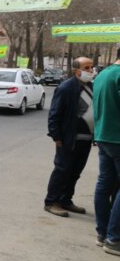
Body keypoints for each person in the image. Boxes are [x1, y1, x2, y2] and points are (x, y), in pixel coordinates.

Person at [44, 57, 95, 217]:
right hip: (68, 140)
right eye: (86, 68)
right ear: (76, 70)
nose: (90, 71)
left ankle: (66, 199)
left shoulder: (91, 87)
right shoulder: (66, 87)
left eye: (91, 67)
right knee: (62, 170)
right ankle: (51, 202)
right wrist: (57, 137)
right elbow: (54, 114)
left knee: (75, 172)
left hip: (86, 139)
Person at [92, 48, 120, 255]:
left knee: (104, 184)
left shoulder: (103, 74)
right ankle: (114, 238)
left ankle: (103, 233)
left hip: (103, 136)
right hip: (117, 138)